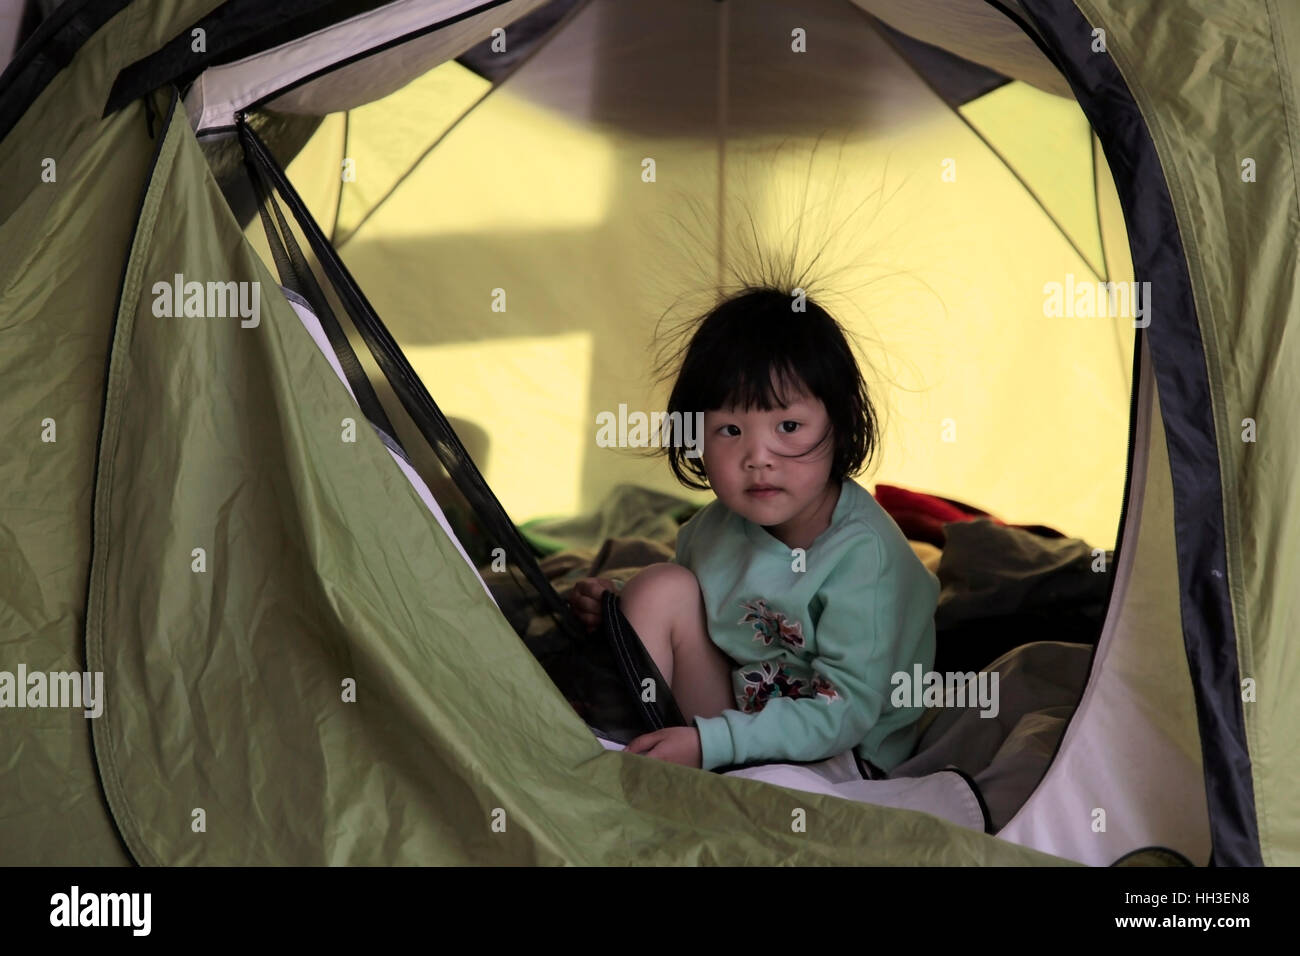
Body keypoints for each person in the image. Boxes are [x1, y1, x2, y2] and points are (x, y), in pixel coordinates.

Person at [569, 287, 938, 773]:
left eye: (788, 426)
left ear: (842, 422)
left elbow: (844, 713)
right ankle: (633, 751)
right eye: (730, 430)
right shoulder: (714, 529)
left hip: (841, 757)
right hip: (728, 727)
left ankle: (686, 771)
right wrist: (616, 601)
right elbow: (697, 612)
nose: (757, 457)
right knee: (659, 586)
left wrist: (710, 743)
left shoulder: (864, 555)